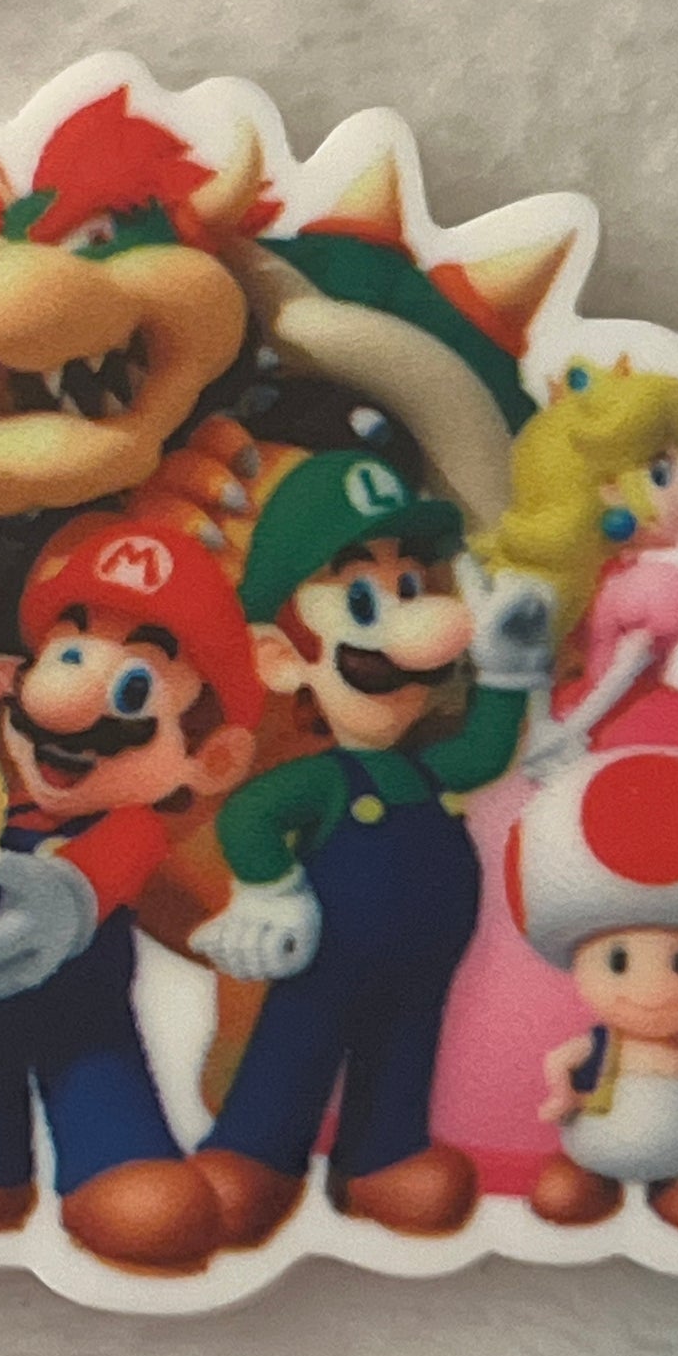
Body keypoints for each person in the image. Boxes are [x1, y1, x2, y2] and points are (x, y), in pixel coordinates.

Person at [0, 526, 263, 1275]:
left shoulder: (129, 827)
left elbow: (108, 871)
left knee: (121, 1141)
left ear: (210, 757)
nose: (60, 702)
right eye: (66, 655)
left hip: (80, 1023)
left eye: (133, 687)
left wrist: (68, 899)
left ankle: (114, 1163)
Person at [188, 452, 552, 1248]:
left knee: (405, 1053)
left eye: (410, 586)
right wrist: (273, 889)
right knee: (295, 1049)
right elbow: (250, 816)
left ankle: (385, 1158)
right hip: (326, 963)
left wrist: (508, 665)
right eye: (362, 597)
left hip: (423, 967)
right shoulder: (323, 780)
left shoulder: (426, 767)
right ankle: (254, 1154)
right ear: (283, 658)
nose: (412, 625)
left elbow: (486, 752)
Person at [509, 746, 678, 1235]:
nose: (655, 989)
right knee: (564, 1196)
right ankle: (592, 1177)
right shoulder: (598, 1047)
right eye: (619, 962)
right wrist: (562, 1098)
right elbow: (560, 1061)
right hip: (595, 1148)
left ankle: (675, 1183)